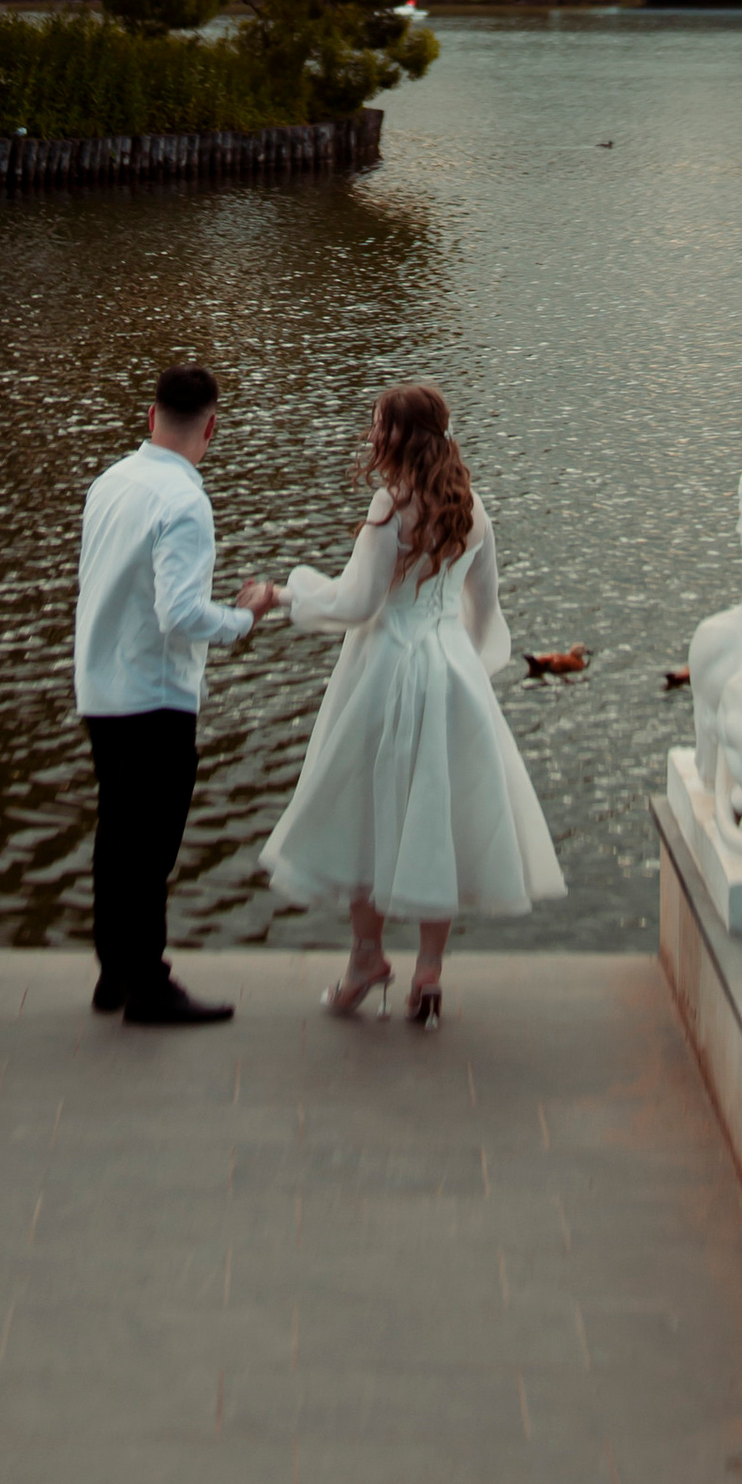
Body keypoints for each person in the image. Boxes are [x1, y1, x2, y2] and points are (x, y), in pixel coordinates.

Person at [261, 382, 563, 1028]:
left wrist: (286, 595)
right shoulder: (473, 509)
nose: (371, 436)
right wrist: (466, 674)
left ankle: (367, 959)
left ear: (396, 436)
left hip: (384, 671)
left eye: (376, 425)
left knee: (362, 813)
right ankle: (428, 971)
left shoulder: (391, 506)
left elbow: (356, 605)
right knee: (437, 815)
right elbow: (486, 611)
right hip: (451, 674)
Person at [75, 363, 278, 1027]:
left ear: (149, 415)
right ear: (211, 427)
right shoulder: (185, 502)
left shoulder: (111, 481)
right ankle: (148, 985)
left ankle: (114, 971)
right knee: (150, 848)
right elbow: (181, 614)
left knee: (117, 837)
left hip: (100, 687)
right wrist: (245, 616)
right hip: (154, 695)